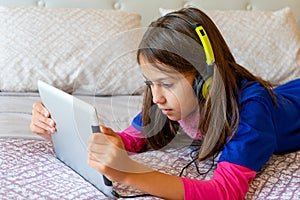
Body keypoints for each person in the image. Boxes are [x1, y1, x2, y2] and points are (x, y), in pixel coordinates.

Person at [30, 7, 300, 200]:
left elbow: (225, 192)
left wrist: (130, 174)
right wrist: (62, 129)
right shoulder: (164, 101)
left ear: (204, 81)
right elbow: (131, 140)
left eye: (167, 84)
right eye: (151, 83)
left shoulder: (251, 109)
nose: (156, 97)